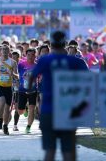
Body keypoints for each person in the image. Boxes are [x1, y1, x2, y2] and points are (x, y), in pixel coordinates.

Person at [28, 31, 88, 161]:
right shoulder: (75, 61)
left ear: (52, 44)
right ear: (65, 44)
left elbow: (31, 79)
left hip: (48, 110)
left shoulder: (45, 60)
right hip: (68, 110)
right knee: (69, 150)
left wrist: (29, 89)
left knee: (50, 151)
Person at [17, 48, 38, 134]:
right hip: (22, 90)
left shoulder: (37, 66)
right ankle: (24, 108)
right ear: (26, 55)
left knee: (32, 109)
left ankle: (28, 127)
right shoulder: (21, 65)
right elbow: (17, 74)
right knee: (20, 111)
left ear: (35, 56)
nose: (30, 57)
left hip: (33, 90)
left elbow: (40, 76)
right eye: (28, 55)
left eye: (32, 55)